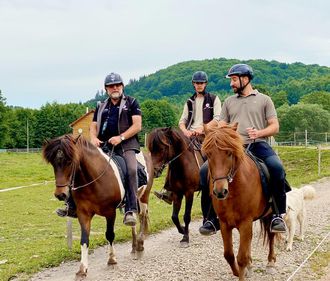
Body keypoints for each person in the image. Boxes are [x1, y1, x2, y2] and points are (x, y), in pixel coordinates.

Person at [199, 63, 287, 235]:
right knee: (204, 172)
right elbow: (222, 124)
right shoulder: (229, 102)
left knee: (277, 168)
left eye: (233, 80)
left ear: (245, 79)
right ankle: (210, 218)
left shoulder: (264, 100)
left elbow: (275, 126)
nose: (231, 84)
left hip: (258, 144)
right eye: (231, 80)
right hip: (232, 148)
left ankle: (278, 215)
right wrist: (211, 131)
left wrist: (259, 132)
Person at [56, 72, 142, 227]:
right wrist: (94, 138)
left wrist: (121, 137)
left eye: (117, 85)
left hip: (126, 145)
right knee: (79, 165)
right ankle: (72, 205)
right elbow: (93, 126)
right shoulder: (101, 106)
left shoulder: (132, 102)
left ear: (122, 86)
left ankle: (130, 209)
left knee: (131, 169)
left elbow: (137, 125)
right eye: (111, 86)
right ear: (106, 89)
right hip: (104, 145)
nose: (114, 88)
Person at [154, 70, 222, 232]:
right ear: (193, 84)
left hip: (207, 137)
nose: (199, 85)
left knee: (209, 158)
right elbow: (182, 120)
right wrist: (185, 131)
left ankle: (211, 183)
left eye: (201, 83)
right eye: (196, 83)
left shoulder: (213, 99)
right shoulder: (189, 101)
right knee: (175, 155)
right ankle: (168, 189)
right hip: (190, 136)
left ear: (205, 84)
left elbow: (218, 118)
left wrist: (201, 128)